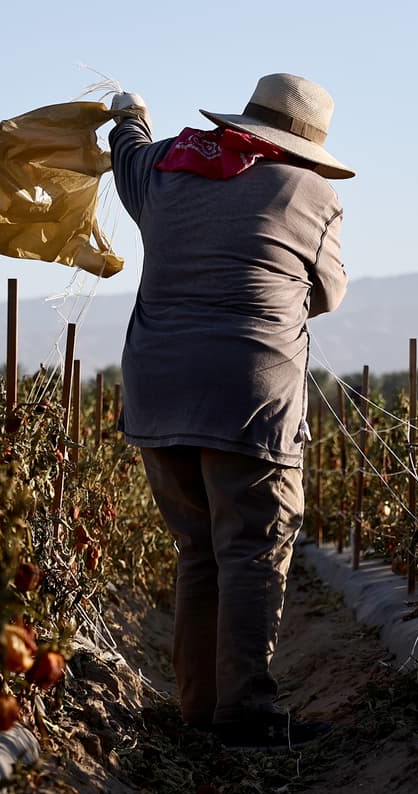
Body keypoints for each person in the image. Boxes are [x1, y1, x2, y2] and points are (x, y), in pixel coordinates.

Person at [107, 73, 352, 749]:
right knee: (251, 549)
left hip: (158, 393)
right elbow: (327, 292)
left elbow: (126, 149)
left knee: (198, 550)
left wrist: (130, 116)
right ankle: (245, 714)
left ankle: (201, 707)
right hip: (251, 396)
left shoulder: (165, 166)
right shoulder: (313, 194)